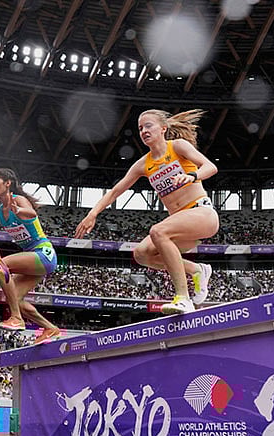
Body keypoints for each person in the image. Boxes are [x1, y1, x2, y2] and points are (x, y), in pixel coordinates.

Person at [74, 109, 218, 314]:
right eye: (140, 128)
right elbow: (116, 191)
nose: (143, 131)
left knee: (158, 231)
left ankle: (183, 298)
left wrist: (192, 176)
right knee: (142, 255)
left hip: (202, 213)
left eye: (148, 126)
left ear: (163, 128)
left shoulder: (177, 147)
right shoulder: (143, 164)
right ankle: (197, 270)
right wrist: (93, 213)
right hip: (180, 226)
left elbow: (210, 167)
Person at [0, 168, 63, 343]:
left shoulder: (18, 200)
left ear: (8, 183)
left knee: (0, 264)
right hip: (32, 258)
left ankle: (16, 318)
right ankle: (50, 328)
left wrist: (19, 211)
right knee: (15, 297)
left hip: (44, 253)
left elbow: (32, 213)